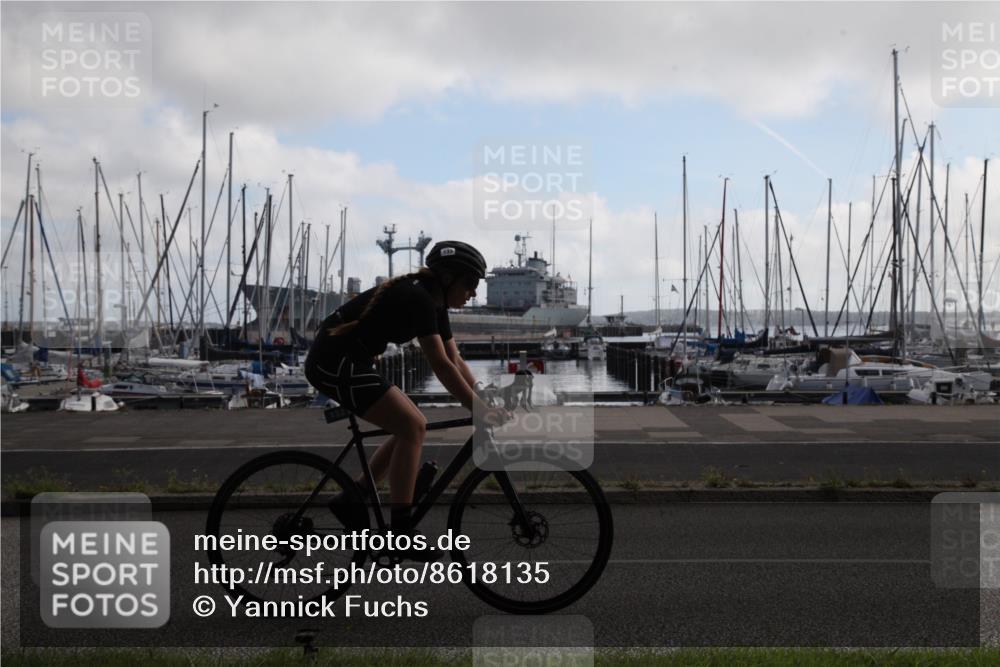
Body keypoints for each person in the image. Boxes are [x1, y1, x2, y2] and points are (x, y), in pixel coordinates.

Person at [304, 241, 509, 557]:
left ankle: (354, 496)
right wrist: (479, 410)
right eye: (469, 283)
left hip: (351, 361)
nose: (473, 293)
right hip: (333, 363)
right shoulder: (419, 299)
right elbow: (440, 364)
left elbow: (454, 359)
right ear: (447, 278)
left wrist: (482, 401)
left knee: (413, 425)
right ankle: (400, 531)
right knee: (412, 426)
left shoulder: (435, 303)